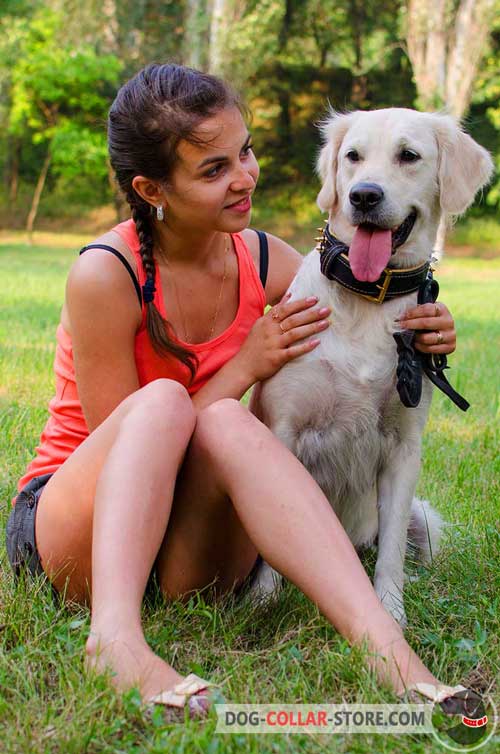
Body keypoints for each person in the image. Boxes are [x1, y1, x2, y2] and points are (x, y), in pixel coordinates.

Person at [6, 64, 464, 718]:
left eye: (245, 152)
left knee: (228, 424)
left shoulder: (262, 257)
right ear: (151, 188)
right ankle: (115, 642)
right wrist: (244, 366)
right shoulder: (105, 274)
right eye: (214, 169)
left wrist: (429, 319)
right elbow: (131, 460)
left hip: (187, 548)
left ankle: (386, 648)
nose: (245, 176)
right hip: (82, 528)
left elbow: (361, 288)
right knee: (179, 406)